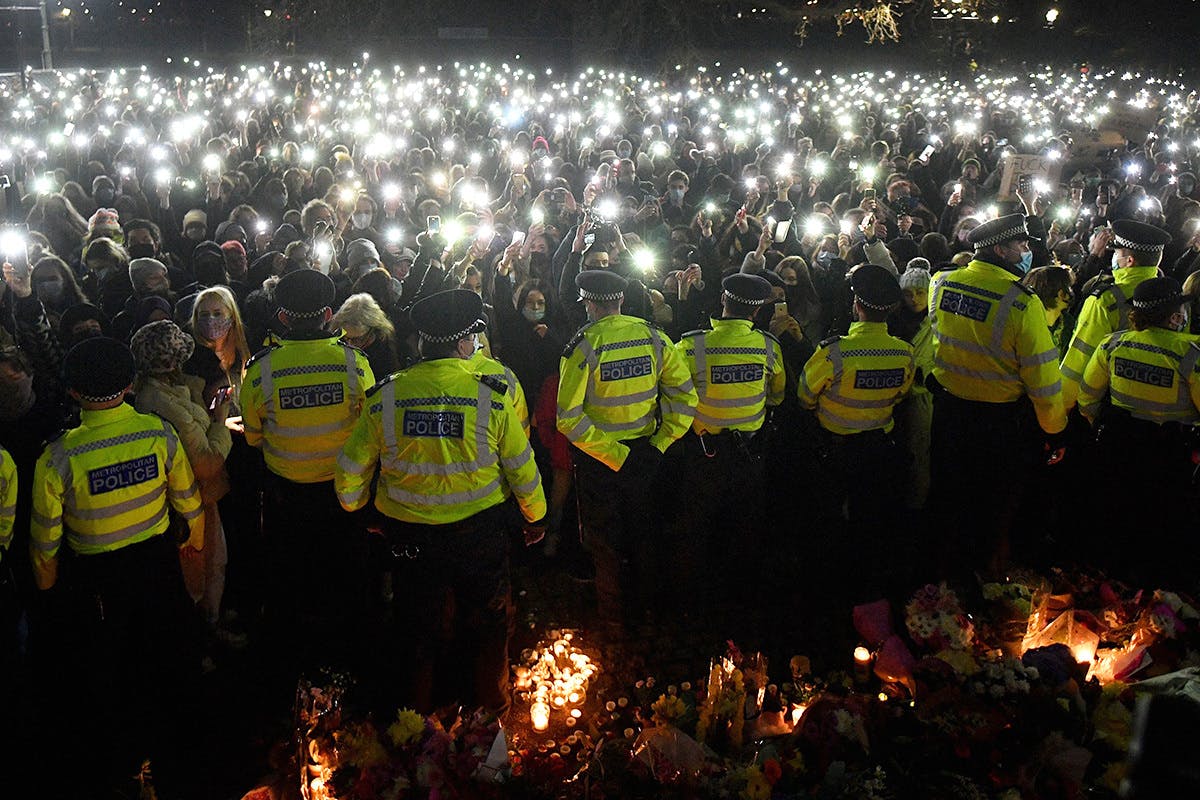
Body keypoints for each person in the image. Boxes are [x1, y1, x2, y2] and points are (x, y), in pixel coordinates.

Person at [335, 289, 546, 714]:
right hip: (478, 533)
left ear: (420, 343)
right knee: (487, 623)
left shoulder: (386, 396)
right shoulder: (492, 396)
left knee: (417, 626)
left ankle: (416, 723)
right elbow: (522, 468)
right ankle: (489, 715)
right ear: (465, 343)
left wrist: (361, 511)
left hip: (410, 536)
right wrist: (535, 518)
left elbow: (350, 471)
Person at [29, 336, 203, 787]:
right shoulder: (157, 432)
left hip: (98, 584)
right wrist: (194, 548)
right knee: (164, 657)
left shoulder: (58, 457)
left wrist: (48, 592)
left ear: (72, 392)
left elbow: (45, 542)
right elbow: (188, 501)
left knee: (112, 669)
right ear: (129, 384)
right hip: (158, 567)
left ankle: (127, 763)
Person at [241, 268, 374, 664]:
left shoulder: (262, 368)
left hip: (288, 495)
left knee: (294, 578)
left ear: (283, 317)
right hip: (344, 493)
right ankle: (350, 653)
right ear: (329, 314)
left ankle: (295, 657)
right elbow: (372, 426)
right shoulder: (354, 363)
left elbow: (252, 436)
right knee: (346, 575)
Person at [556, 269, 697, 633]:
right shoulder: (655, 337)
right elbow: (685, 398)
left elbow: (568, 419)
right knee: (645, 533)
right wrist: (660, 444)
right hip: (647, 456)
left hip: (601, 462)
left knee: (605, 544)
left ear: (589, 303)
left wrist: (616, 456)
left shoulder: (584, 345)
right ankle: (648, 612)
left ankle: (614, 622)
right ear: (620, 300)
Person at [927, 214, 1067, 577]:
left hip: (947, 413)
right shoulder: (1022, 303)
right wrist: (1054, 430)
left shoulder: (942, 283)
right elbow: (1043, 378)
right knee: (990, 509)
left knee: (947, 499)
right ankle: (981, 583)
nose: (1026, 253)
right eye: (1021, 246)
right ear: (1000, 249)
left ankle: (940, 579)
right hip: (998, 426)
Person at [671, 273, 784, 612]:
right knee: (744, 525)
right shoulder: (768, 346)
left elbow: (675, 395)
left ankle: (689, 598)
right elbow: (777, 396)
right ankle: (741, 597)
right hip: (750, 455)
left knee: (694, 524)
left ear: (723, 300)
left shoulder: (692, 345)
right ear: (757, 311)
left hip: (704, 453)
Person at [1075, 277, 1200, 584]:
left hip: (1119, 448)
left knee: (1120, 520)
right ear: (1173, 316)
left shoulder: (1113, 343)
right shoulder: (1190, 353)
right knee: (1163, 528)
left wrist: (1098, 431)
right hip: (1171, 456)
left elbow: (1087, 397)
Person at [130, 320, 232, 638]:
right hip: (194, 500)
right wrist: (220, 420)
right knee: (204, 571)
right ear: (174, 359)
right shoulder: (162, 402)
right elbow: (205, 462)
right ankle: (205, 634)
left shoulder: (173, 390)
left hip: (196, 497)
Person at [799, 265, 914, 533]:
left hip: (836, 450)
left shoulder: (834, 352)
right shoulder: (904, 353)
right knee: (870, 518)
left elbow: (805, 397)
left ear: (856, 305)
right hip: (880, 449)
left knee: (830, 517)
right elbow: (901, 396)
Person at [1061, 220, 1172, 409]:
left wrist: (1060, 410)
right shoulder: (1173, 299)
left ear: (1129, 261)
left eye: (1117, 252)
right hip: (1159, 407)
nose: (1113, 256)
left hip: (1110, 404)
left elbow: (1079, 359)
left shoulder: (1106, 301)